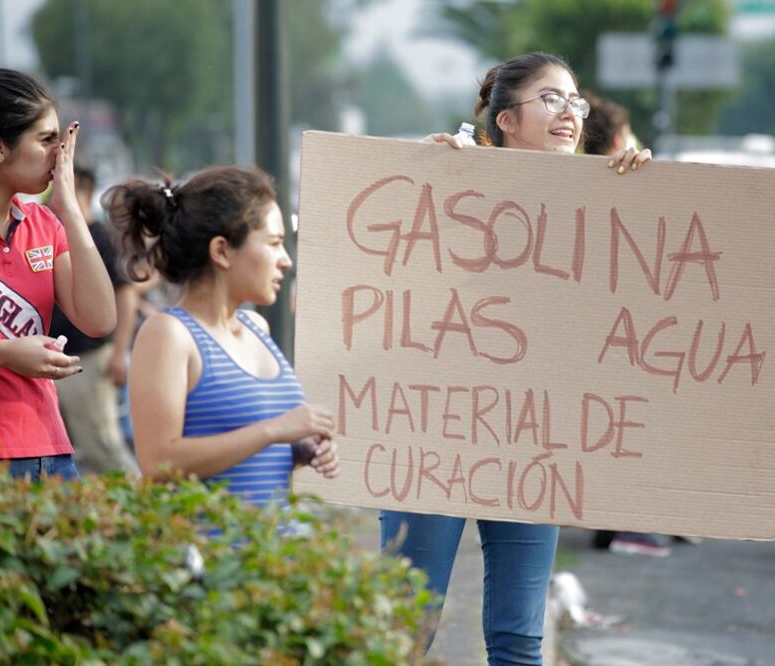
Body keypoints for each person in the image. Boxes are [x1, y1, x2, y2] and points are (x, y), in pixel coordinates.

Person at [393, 52, 652, 665]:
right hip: (439, 425)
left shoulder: (602, 197)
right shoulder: (450, 178)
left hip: (536, 435)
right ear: (506, 119)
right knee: (407, 624)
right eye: (553, 99)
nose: (571, 114)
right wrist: (422, 173)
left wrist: (646, 195)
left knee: (519, 636)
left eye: (577, 102)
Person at [108, 165, 339, 504]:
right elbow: (158, 463)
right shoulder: (169, 334)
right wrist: (273, 431)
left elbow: (251, 448)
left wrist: (301, 448)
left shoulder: (257, 328)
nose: (285, 261)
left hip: (277, 549)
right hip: (215, 551)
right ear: (221, 251)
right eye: (274, 244)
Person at [0, 68, 116, 481]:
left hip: (50, 450)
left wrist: (68, 208)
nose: (61, 155)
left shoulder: (44, 225)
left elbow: (100, 318)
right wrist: (7, 353)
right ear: (0, 148)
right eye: (47, 140)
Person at [578, 92, 672, 557]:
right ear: (617, 137)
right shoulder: (600, 189)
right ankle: (618, 521)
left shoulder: (615, 183)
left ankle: (608, 520)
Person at [50, 165, 140, 475]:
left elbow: (126, 295)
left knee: (103, 446)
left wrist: (119, 353)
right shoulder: (55, 232)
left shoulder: (98, 237)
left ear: (82, 193)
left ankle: (142, 511)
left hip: (89, 357)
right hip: (57, 360)